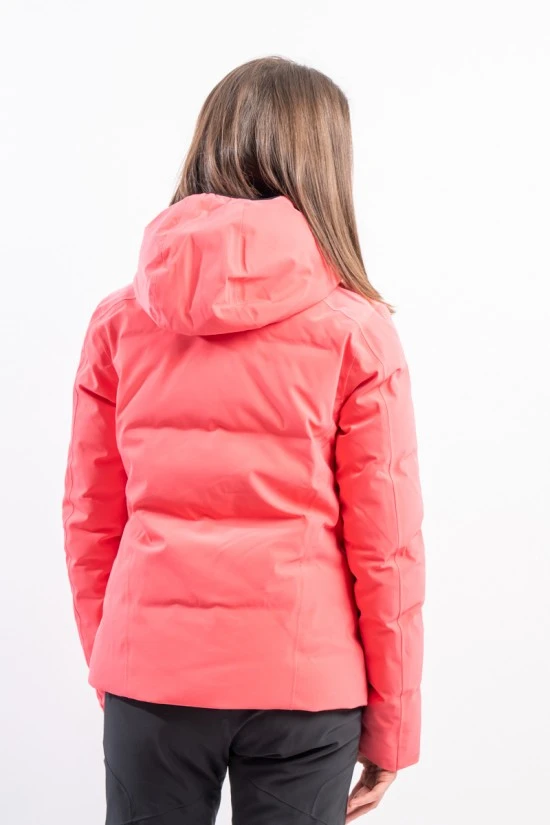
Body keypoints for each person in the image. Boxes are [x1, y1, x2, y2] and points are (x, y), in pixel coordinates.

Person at [62, 55, 425, 825]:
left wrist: (118, 661)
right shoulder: (357, 331)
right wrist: (394, 724)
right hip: (305, 680)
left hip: (152, 673)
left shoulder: (118, 322)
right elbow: (387, 551)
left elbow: (90, 519)